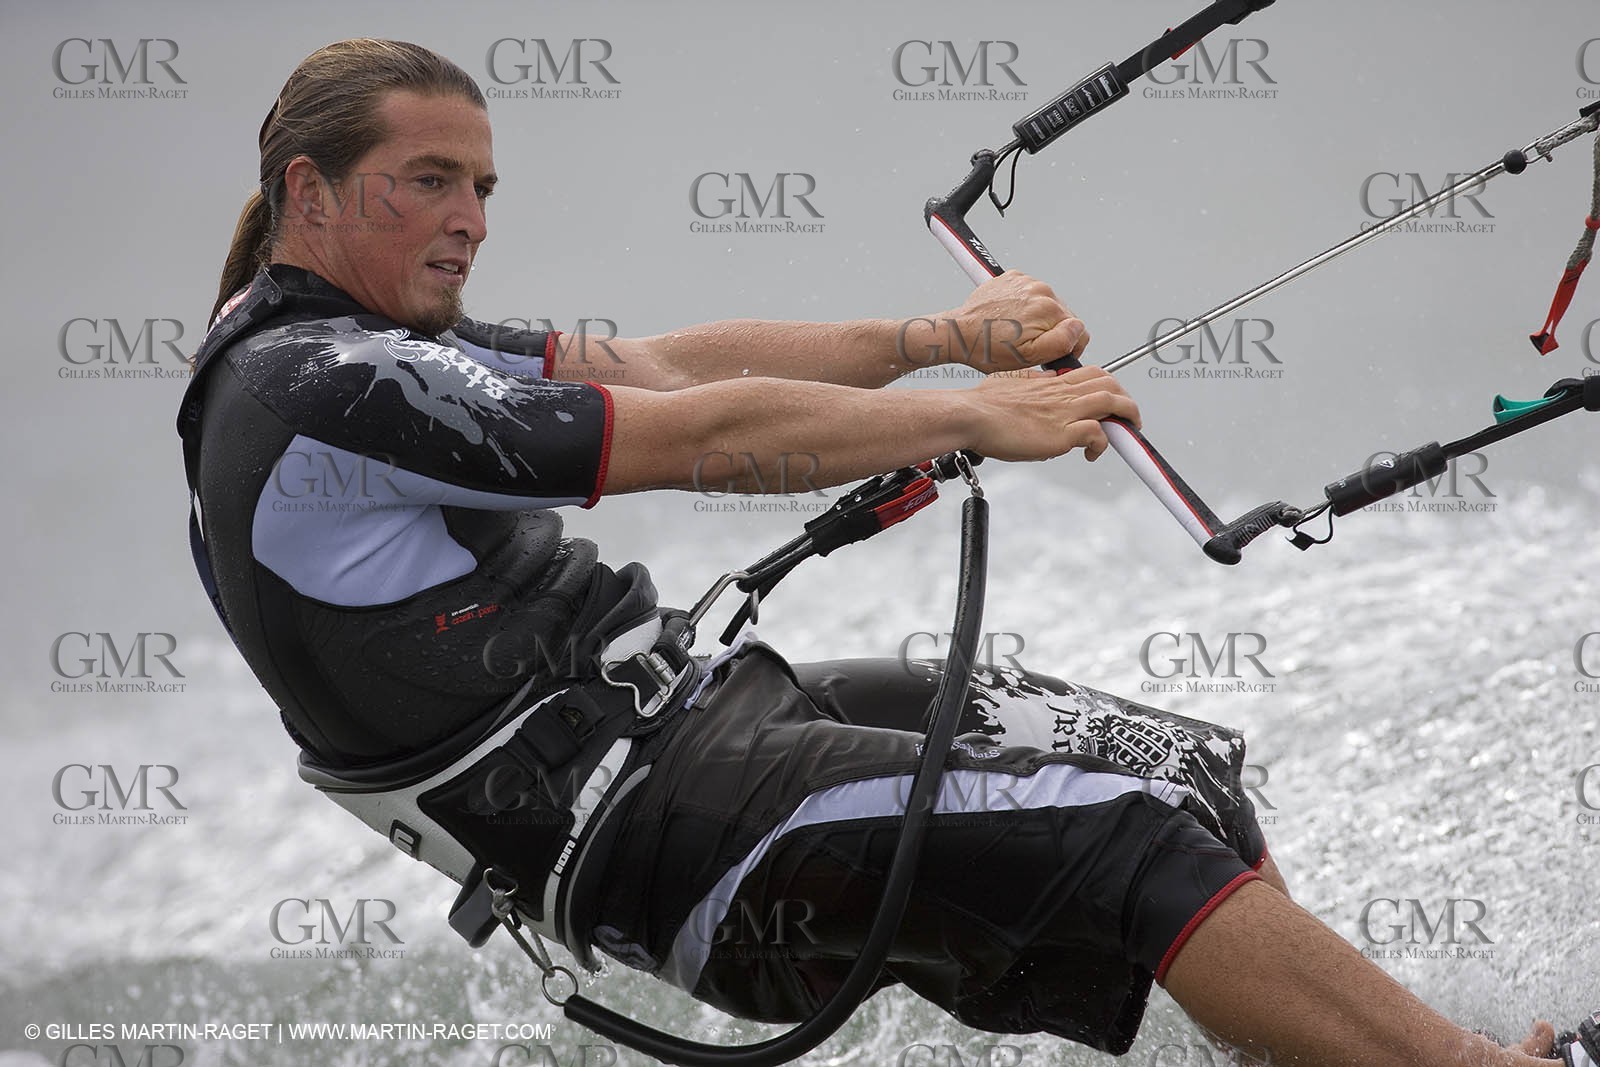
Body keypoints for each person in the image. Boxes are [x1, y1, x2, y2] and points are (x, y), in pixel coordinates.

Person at [177, 39, 1597, 1067]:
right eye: (429, 183)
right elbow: (681, 441)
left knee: (1177, 771)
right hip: (648, 837)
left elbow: (660, 365)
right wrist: (975, 411)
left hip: (698, 728)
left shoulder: (381, 346)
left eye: (481, 185)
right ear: (311, 192)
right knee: (1126, 839)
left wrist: (937, 340)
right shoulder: (316, 384)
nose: (472, 221)